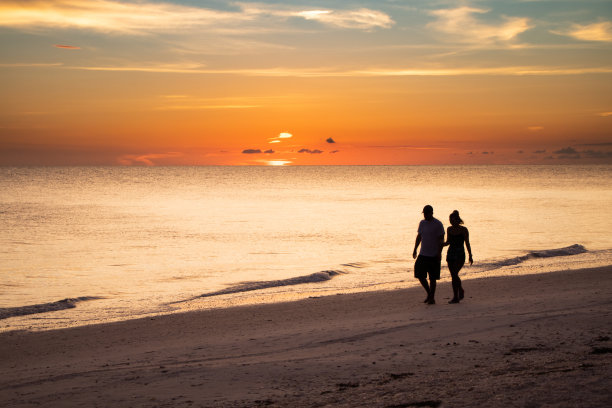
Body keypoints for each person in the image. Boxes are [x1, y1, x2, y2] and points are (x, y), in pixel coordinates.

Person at [412, 205, 445, 305]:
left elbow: (441, 240)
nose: (425, 215)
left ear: (431, 213)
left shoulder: (438, 224)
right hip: (423, 254)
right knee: (419, 274)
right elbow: (419, 237)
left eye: (426, 213)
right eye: (424, 213)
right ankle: (429, 294)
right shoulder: (422, 223)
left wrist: (439, 253)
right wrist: (415, 249)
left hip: (434, 255)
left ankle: (432, 297)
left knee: (433, 278)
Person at [443, 210, 473, 304]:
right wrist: (440, 244)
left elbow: (467, 243)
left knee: (455, 274)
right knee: (453, 275)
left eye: (452, 220)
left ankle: (456, 296)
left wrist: (470, 256)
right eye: (450, 220)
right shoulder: (449, 229)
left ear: (457, 219)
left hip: (460, 254)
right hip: (451, 253)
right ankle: (459, 291)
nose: (451, 221)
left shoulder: (464, 230)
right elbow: (448, 242)